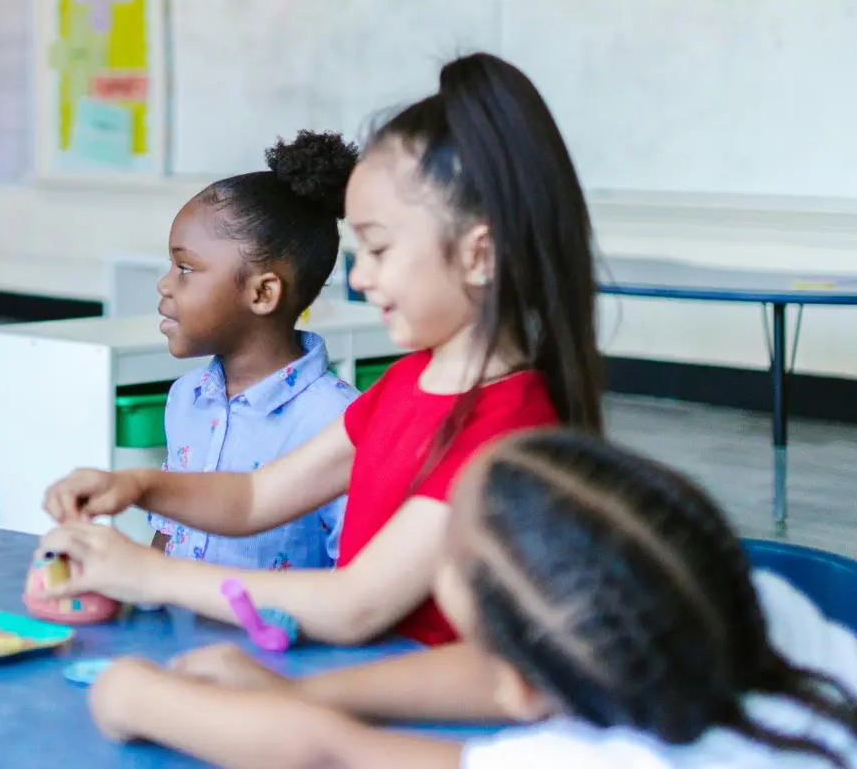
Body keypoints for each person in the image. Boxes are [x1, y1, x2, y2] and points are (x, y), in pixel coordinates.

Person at [38, 53, 603, 646]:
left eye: (379, 251)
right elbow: (257, 496)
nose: (358, 280)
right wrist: (137, 487)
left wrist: (151, 576)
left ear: (479, 254)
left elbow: (353, 605)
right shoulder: (409, 383)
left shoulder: (504, 431)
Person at [85, 430, 857, 769]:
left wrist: (131, 694)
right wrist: (302, 687)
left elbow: (329, 756)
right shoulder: (745, 602)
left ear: (521, 688)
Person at [147, 132, 359, 570]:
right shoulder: (186, 398)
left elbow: (356, 580)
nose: (165, 284)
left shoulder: (339, 424)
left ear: (263, 293)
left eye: (185, 268)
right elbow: (169, 534)